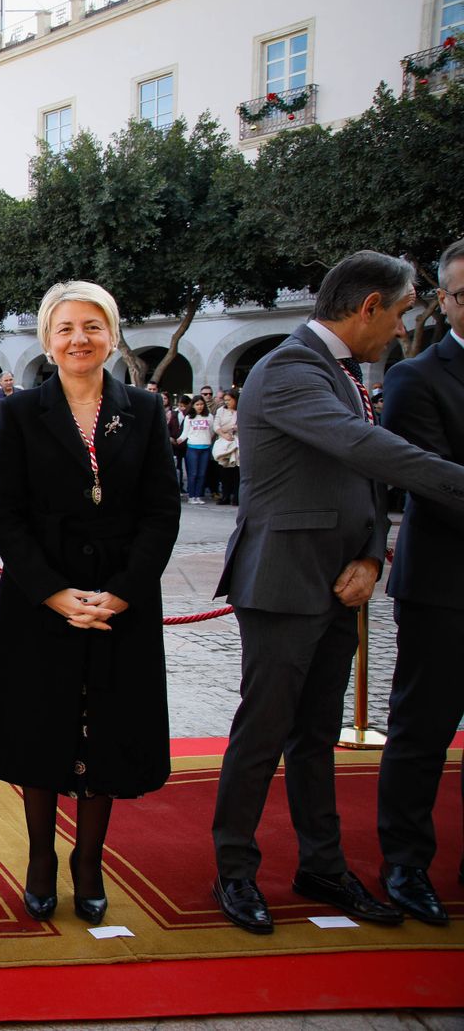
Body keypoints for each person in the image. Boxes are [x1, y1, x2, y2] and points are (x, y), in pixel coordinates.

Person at [210, 250, 464, 934]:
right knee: (262, 734)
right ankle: (234, 871)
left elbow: (356, 482)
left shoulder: (337, 370)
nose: (406, 325)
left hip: (337, 580)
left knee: (316, 735)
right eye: (404, 309)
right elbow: (363, 448)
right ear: (368, 307)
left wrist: (369, 555)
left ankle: (321, 865)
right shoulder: (291, 368)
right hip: (283, 579)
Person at [0, 281, 180, 926]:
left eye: (92, 326)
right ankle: (40, 856)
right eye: (65, 328)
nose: (79, 339)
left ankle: (88, 861)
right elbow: (6, 514)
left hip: (122, 600)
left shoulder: (144, 412)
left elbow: (161, 514)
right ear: (46, 339)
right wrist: (55, 593)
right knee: (42, 728)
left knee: (108, 730)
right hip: (43, 599)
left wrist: (122, 592)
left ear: (112, 334)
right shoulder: (21, 412)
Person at [373, 238, 464, 925]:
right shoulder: (418, 377)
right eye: (461, 295)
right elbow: (429, 484)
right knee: (422, 731)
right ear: (445, 302)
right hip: (446, 588)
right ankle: (405, 864)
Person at [178, 395, 214, 505]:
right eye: (197, 404)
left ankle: (198, 495)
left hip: (205, 448)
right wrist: (179, 439)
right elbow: (185, 432)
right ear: (193, 405)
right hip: (192, 448)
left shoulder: (209, 417)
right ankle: (191, 495)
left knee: (202, 474)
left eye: (201, 404)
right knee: (193, 473)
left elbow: (212, 431)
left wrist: (207, 440)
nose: (200, 406)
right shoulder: (189, 417)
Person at [210, 390, 240, 505]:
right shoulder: (220, 411)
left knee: (237, 471)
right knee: (224, 470)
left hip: (237, 442)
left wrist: (233, 428)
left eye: (229, 400)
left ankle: (236, 497)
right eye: (225, 400)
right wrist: (224, 434)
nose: (227, 402)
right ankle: (225, 495)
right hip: (224, 443)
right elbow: (216, 426)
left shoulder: (240, 411)